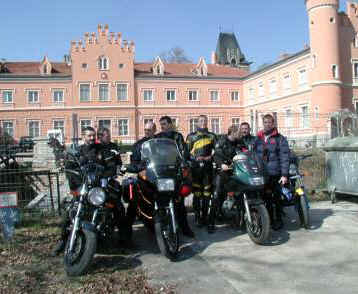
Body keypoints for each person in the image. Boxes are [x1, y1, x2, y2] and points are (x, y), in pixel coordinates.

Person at [52, 126, 102, 256]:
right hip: (82, 188)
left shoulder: (100, 150)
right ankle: (63, 241)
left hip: (97, 189)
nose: (92, 138)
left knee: (112, 207)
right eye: (89, 135)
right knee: (70, 212)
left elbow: (108, 166)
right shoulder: (76, 152)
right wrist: (78, 187)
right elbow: (70, 170)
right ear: (83, 136)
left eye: (93, 135)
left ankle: (119, 238)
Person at [156, 116, 194, 238]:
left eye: (164, 124)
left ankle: (185, 228)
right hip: (162, 170)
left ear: (170, 124)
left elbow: (183, 151)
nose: (162, 126)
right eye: (161, 124)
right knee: (161, 199)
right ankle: (161, 226)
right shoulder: (157, 137)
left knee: (179, 200)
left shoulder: (177, 136)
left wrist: (184, 162)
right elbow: (153, 151)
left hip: (175, 170)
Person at [254, 113, 290, 230]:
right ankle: (268, 219)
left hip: (275, 173)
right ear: (263, 123)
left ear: (273, 124)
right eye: (265, 122)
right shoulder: (258, 138)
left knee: (277, 198)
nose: (267, 125)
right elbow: (253, 155)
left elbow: (285, 157)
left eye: (269, 122)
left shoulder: (280, 138)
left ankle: (278, 220)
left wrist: (284, 175)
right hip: (262, 173)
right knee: (265, 198)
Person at [186, 115, 217, 233]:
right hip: (196, 169)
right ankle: (197, 217)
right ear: (197, 123)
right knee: (197, 194)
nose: (203, 123)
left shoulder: (212, 136)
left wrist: (211, 157)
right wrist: (194, 158)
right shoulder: (191, 136)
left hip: (208, 169)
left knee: (207, 194)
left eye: (205, 121)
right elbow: (186, 153)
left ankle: (205, 217)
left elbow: (218, 151)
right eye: (201, 121)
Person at [212, 125, 244, 231]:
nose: (240, 134)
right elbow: (216, 155)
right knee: (217, 195)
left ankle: (239, 219)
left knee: (239, 193)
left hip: (236, 170)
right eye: (238, 132)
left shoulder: (239, 142)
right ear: (233, 133)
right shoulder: (222, 141)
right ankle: (210, 222)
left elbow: (245, 152)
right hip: (223, 171)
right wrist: (221, 164)